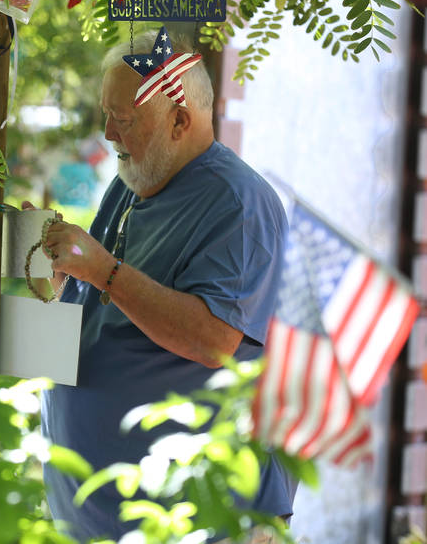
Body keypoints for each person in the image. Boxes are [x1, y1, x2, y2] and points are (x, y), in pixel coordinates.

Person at [35, 29, 296, 543]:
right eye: (106, 114)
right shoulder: (131, 181)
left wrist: (104, 271)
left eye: (125, 119)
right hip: (102, 518)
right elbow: (105, 312)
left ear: (180, 119)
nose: (108, 133)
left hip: (198, 522)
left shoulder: (238, 202)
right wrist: (56, 278)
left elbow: (213, 340)